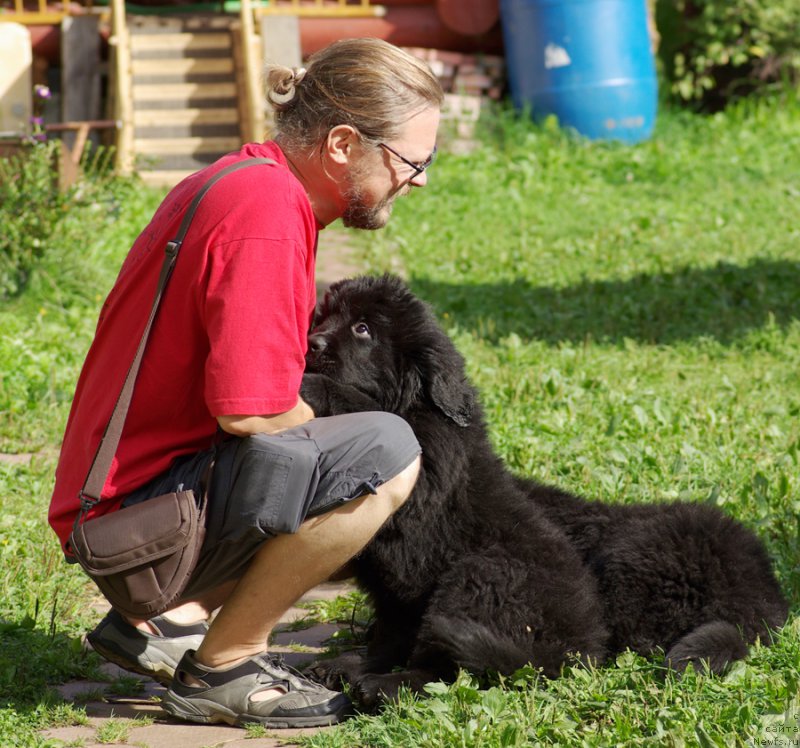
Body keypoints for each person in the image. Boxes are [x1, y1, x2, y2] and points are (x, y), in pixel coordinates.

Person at [48, 37, 443, 727]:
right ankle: (223, 665)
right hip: (136, 528)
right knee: (387, 456)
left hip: (120, 502)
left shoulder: (246, 179)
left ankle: (170, 620)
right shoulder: (266, 216)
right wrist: (354, 459)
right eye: (412, 161)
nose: (420, 180)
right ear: (344, 143)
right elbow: (252, 413)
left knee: (351, 451)